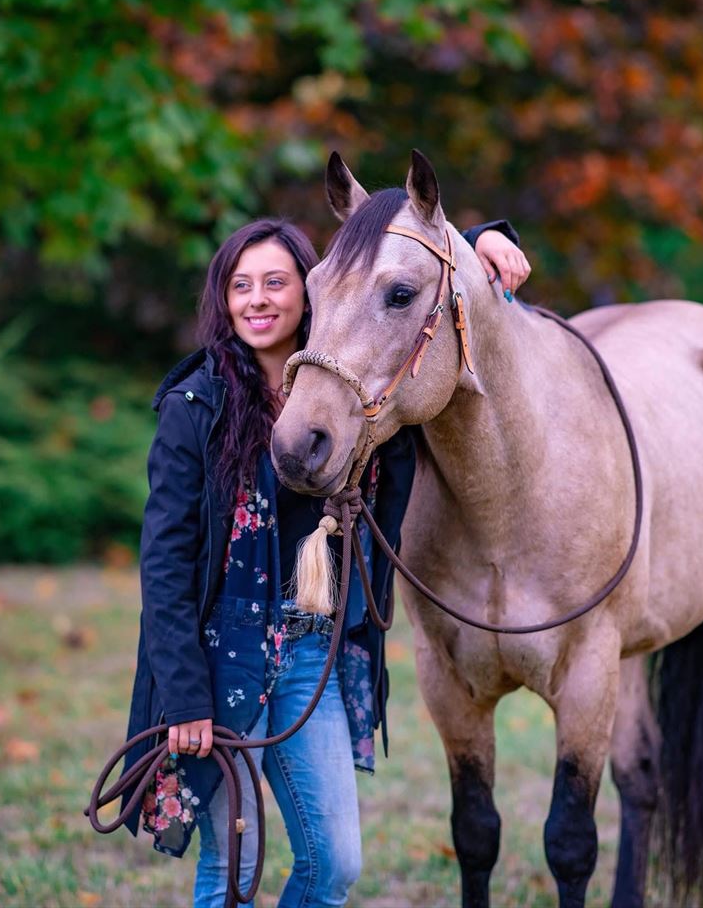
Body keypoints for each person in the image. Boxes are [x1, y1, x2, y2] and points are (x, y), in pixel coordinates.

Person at [121, 211, 530, 908]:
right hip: (220, 658)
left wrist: (482, 238)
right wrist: (184, 697)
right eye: (240, 285)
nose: (257, 300)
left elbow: (410, 279)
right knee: (233, 868)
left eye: (275, 282)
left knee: (334, 863)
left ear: (311, 290)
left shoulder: (358, 393)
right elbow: (163, 565)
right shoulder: (196, 405)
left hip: (312, 653)